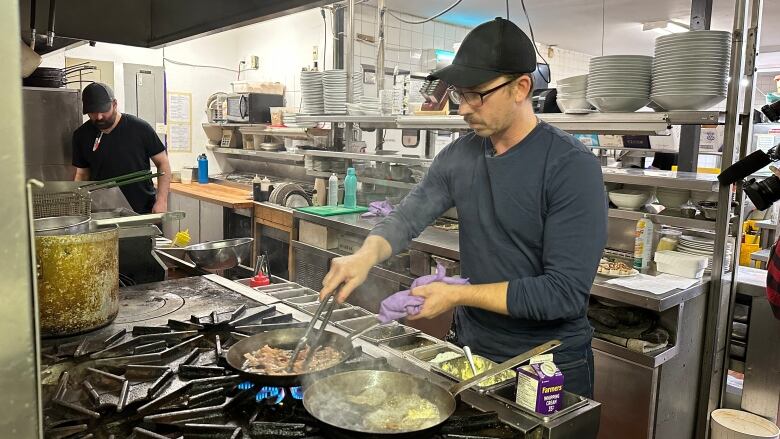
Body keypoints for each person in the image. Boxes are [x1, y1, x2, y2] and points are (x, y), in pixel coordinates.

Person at [320, 18, 607, 397]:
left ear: (521, 87)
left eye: (478, 94)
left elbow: (563, 293)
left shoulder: (570, 166)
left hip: (547, 365)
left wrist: (455, 294)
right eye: (459, 94)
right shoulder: (459, 155)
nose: (465, 108)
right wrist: (364, 256)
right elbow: (408, 217)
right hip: (472, 352)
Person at [72, 82, 171, 214]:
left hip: (142, 210)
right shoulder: (81, 135)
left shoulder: (140, 128)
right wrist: (77, 205)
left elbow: (162, 162)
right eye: (93, 113)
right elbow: (82, 174)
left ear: (114, 104)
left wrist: (162, 201)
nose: (99, 117)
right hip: (102, 213)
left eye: (103, 111)